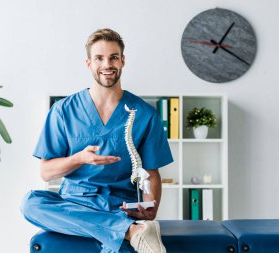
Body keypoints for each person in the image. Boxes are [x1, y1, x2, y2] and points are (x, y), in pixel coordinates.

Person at [21, 28, 173, 253]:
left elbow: (151, 173)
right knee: (31, 203)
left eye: (113, 57)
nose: (107, 64)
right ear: (89, 63)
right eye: (99, 58)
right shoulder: (63, 110)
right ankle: (129, 231)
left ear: (122, 61)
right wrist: (79, 159)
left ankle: (123, 227)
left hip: (119, 205)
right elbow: (46, 172)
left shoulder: (144, 113)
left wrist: (151, 208)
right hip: (74, 204)